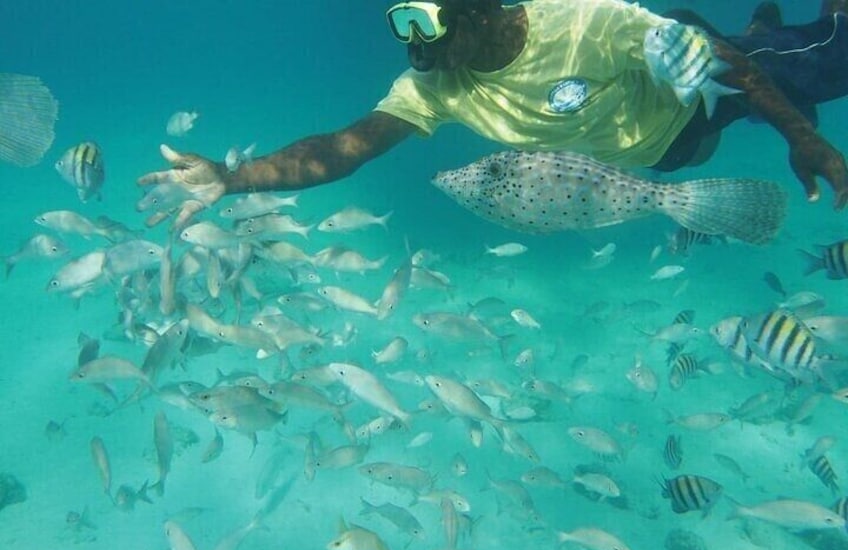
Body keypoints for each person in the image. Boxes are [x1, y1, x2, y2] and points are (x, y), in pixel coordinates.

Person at [137, 0, 848, 227]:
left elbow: (724, 70)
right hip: (668, 154)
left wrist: (801, 135)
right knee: (714, 130)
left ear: (476, 9)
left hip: (690, 98)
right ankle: (762, 28)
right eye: (402, 25)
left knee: (818, 62)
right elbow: (343, 147)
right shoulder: (439, 84)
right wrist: (234, 179)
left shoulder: (581, 20)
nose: (417, 51)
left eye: (427, 25)